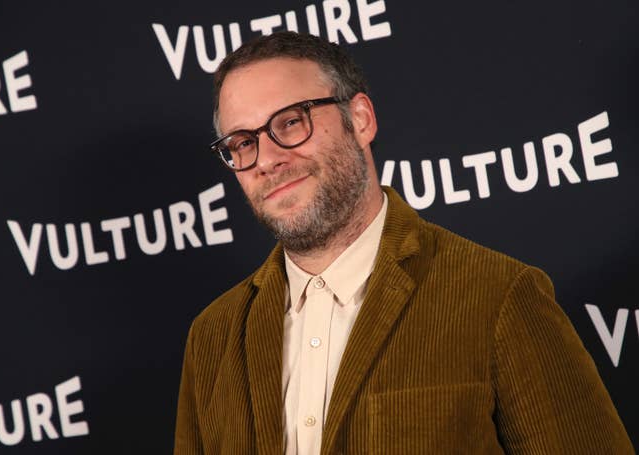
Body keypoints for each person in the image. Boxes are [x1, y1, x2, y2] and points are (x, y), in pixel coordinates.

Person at [174, 31, 633, 454]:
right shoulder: (213, 336)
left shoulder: (499, 295)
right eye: (241, 143)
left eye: (291, 123)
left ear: (361, 119)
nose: (267, 159)